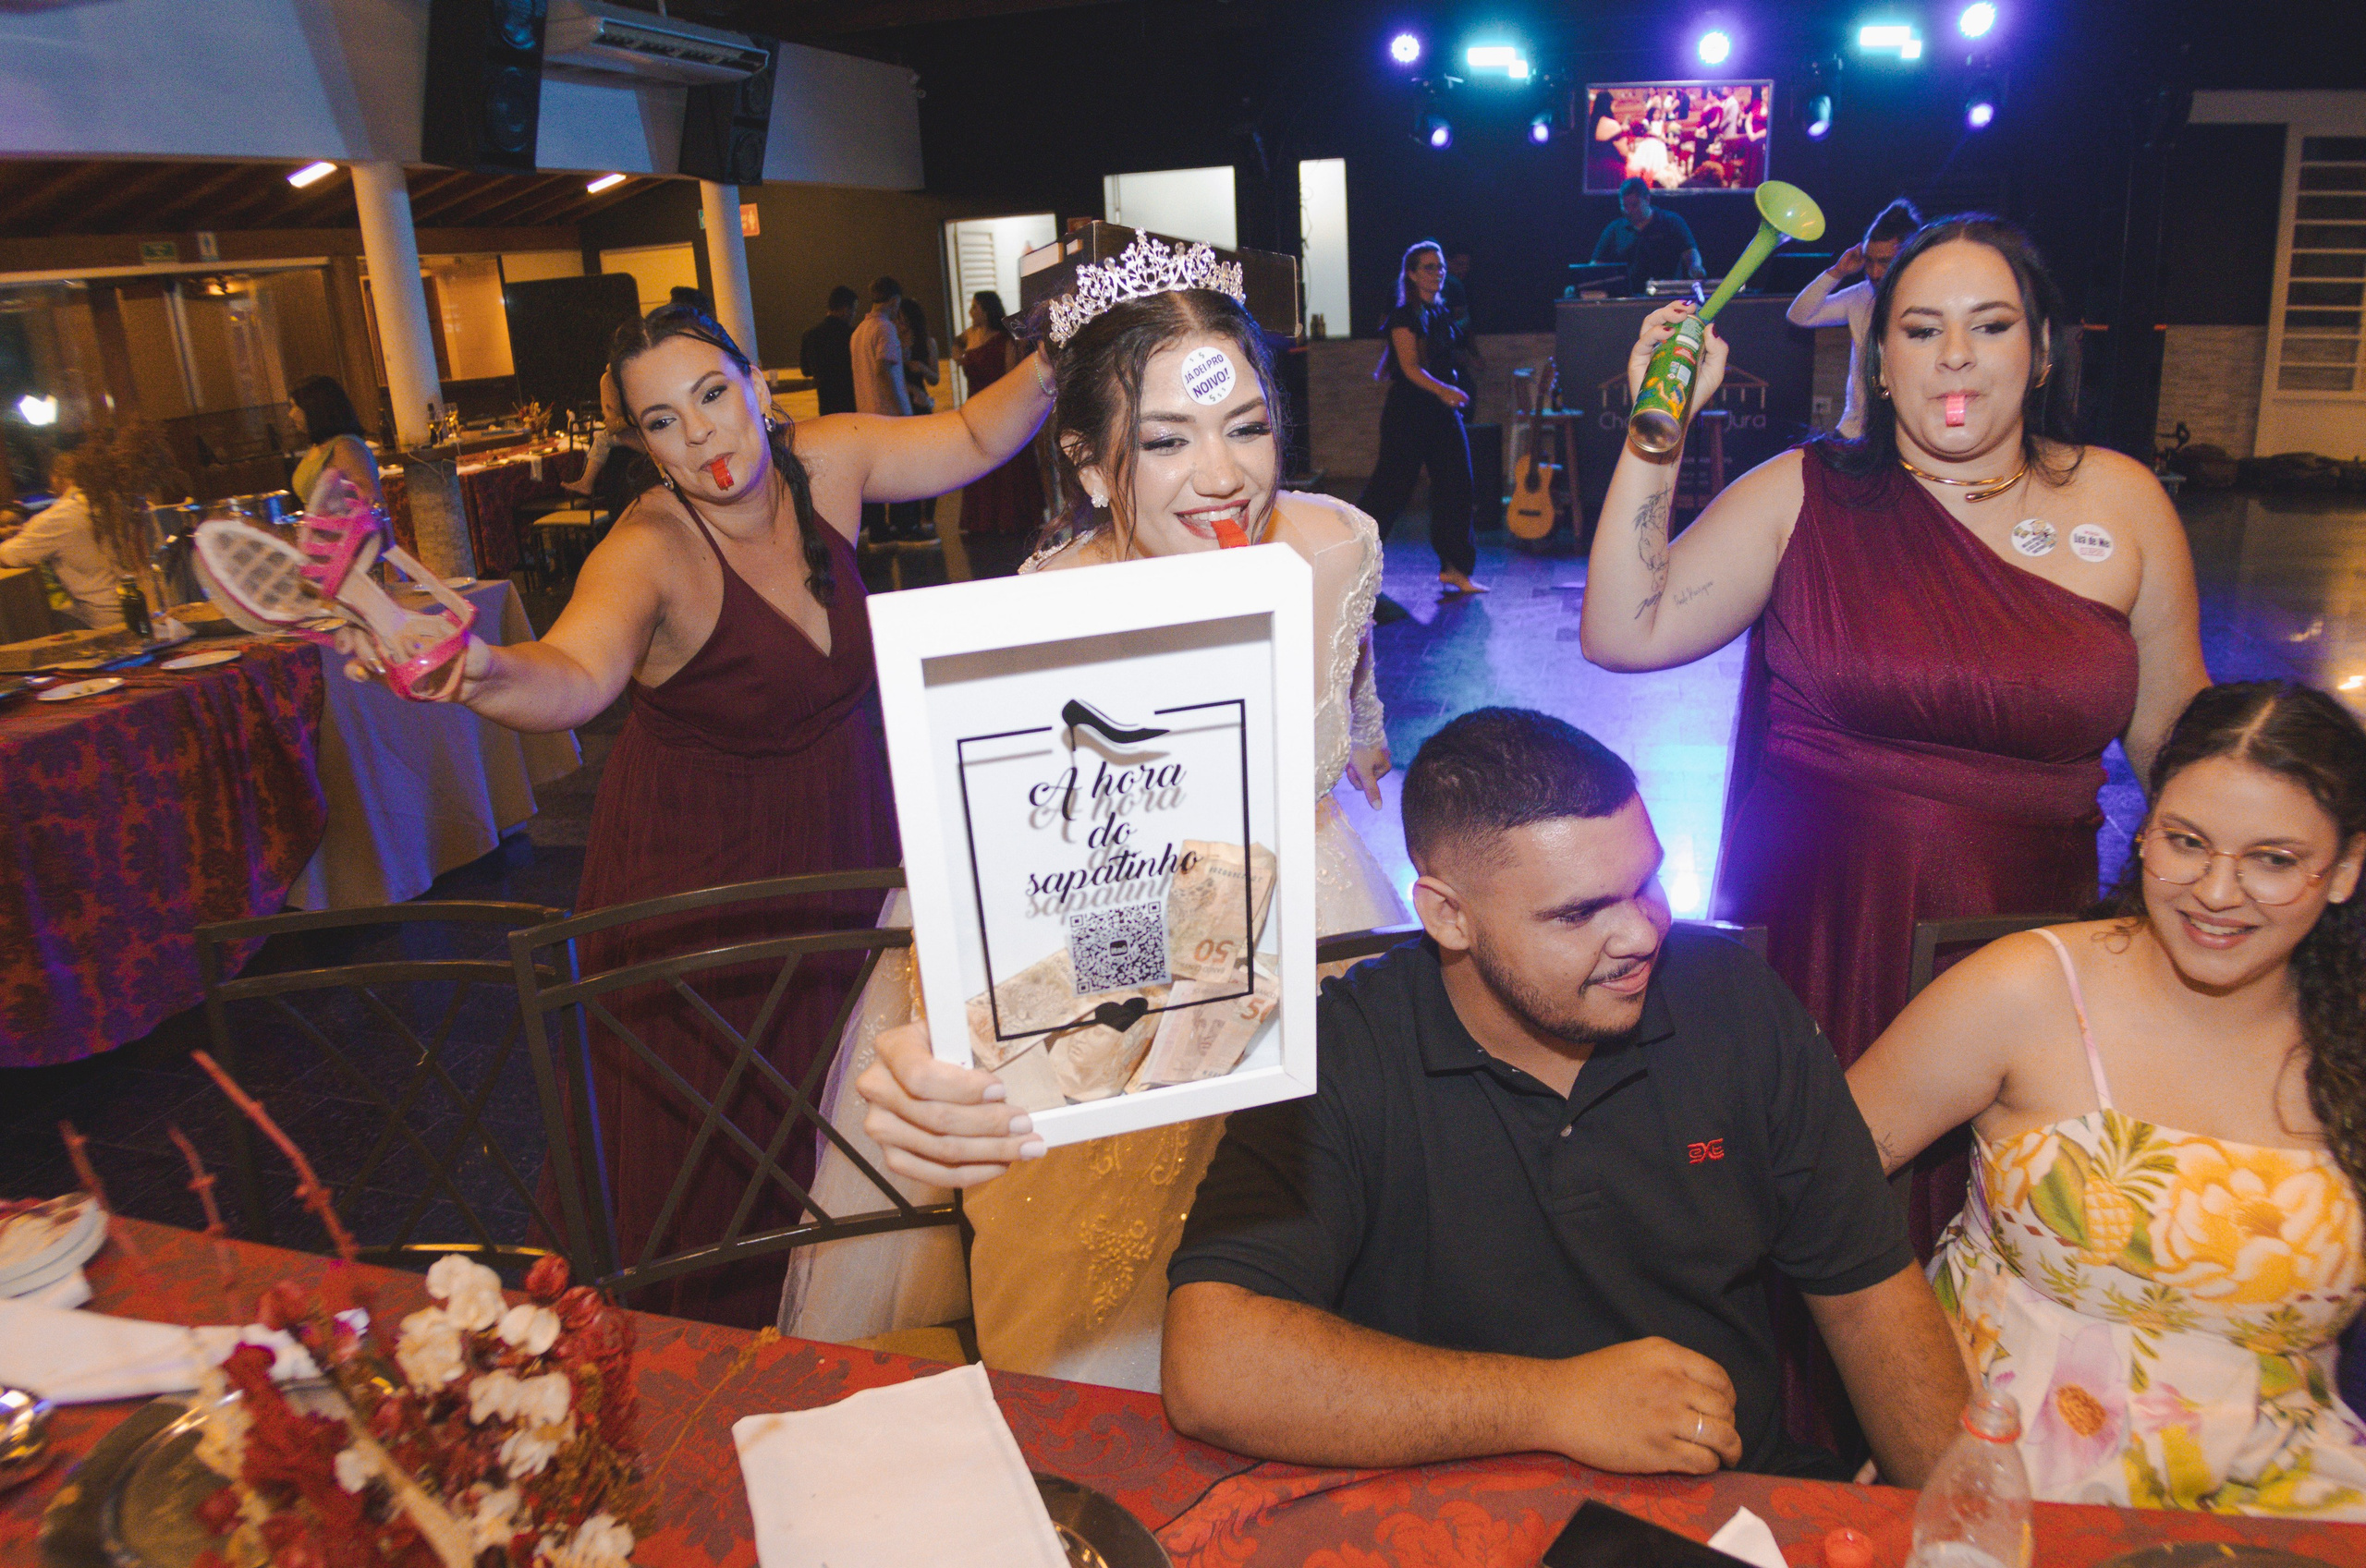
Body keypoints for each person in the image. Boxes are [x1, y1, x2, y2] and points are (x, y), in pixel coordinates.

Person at [856, 708, 1969, 1480]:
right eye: (1578, 913)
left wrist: (1960, 1526)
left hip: (1718, 1504)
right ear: (1445, 913)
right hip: (1446, 1505)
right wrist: (1553, 1402)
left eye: (1645, 882)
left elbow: (1868, 1293)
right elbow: (1212, 1365)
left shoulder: (1731, 998)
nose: (1639, 932)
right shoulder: (1347, 1050)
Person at [796, 273, 1407, 1385]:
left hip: (1320, 933)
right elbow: (996, 899)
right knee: (1106, 1331)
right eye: (1166, 441)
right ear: (1085, 462)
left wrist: (1358, 733)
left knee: (1333, 1325)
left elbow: (1352, 681)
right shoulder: (1035, 623)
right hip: (1114, 974)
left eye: (1247, 427)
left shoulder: (1337, 546)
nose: (1223, 476)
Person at [1579, 215, 2210, 1263]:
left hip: (2027, 965)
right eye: (1920, 329)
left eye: (1989, 324)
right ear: (1880, 359)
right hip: (1823, 947)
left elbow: (2180, 760)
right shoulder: (1805, 494)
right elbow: (1621, 628)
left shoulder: (2123, 503)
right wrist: (1660, 431)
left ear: (2043, 350)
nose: (1953, 354)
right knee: (1810, 1246)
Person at [425, 304, 1055, 1324]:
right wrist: (481, 668)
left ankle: (841, 1334)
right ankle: (702, 1373)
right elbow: (577, 674)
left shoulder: (831, 460)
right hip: (700, 883)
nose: (703, 434)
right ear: (643, 445)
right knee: (712, 1148)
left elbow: (980, 436)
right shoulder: (651, 547)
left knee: (842, 1107)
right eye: (664, 421)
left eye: (713, 395)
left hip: (843, 837)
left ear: (757, 386)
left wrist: (1061, 349)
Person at [1849, 681, 2366, 1516]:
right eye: (2187, 841)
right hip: (2018, 1481)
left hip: (2289, 1502)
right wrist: (1909, 1387)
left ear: (2342, 869)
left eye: (2272, 859)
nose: (2217, 890)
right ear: (2145, 831)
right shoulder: (2027, 990)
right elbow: (1809, 1186)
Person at [1355, 240, 1484, 597]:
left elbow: (1423, 357)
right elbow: (1410, 367)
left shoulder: (1440, 312)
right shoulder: (1403, 315)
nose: (1437, 273)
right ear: (1411, 274)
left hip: (1441, 413)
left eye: (1440, 267)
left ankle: (1456, 569)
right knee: (1390, 490)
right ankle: (1353, 562)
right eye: (1428, 267)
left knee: (1458, 485)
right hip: (1410, 413)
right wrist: (1443, 390)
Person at [1787, 200, 1923, 439]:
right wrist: (1838, 272)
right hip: (1855, 429)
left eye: (1884, 262)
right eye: (1869, 261)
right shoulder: (1859, 296)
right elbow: (1799, 315)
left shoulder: (1930, 301)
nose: (1874, 272)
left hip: (1908, 432)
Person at [951, 291, 1045, 560]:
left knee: (1007, 459)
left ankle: (1013, 516)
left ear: (987, 309)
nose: (971, 311)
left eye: (976, 306)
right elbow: (957, 349)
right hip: (975, 405)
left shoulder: (1005, 338)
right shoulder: (969, 335)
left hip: (997, 405)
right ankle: (983, 519)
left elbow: (1011, 373)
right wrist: (959, 358)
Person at [0, 450, 120, 628]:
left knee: (31, 624)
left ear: (57, 478)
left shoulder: (57, 517)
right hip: (141, 604)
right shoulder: (114, 502)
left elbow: (8, 555)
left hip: (101, 617)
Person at [287, 374, 382, 513]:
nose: (291, 414)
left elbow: (370, 501)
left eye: (295, 406)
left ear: (314, 408)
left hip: (343, 532)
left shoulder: (346, 447)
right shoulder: (318, 445)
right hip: (321, 532)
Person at [1592, 178, 1702, 292]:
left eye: (1634, 205)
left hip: (1665, 296)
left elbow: (1690, 252)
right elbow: (1597, 264)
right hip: (1627, 299)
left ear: (1647, 199)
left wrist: (1695, 267)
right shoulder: (1615, 229)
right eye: (1624, 206)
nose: (1629, 211)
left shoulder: (1671, 222)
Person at [849, 276, 909, 419]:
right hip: (888, 415)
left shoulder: (858, 332)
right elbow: (883, 370)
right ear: (895, 300)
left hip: (866, 414)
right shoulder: (885, 328)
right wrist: (901, 412)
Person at [799, 286, 860, 417]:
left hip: (826, 407)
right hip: (850, 404)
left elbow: (806, 370)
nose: (854, 315)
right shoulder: (853, 335)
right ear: (845, 309)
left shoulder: (810, 335)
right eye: (853, 310)